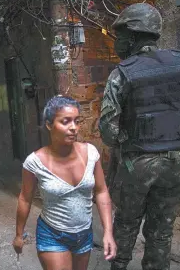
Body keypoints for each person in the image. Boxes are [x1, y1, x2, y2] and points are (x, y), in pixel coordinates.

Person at [98, 3, 180, 270]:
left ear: (133, 36)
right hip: (176, 164)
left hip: (137, 164)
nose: (118, 43)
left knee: (126, 223)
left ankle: (119, 266)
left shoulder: (121, 74)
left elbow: (108, 132)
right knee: (161, 231)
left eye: (121, 36)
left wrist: (128, 139)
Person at [13, 95, 117, 270]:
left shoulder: (91, 153)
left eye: (77, 121)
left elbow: (101, 191)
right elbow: (25, 198)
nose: (73, 128)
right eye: (66, 122)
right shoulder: (35, 162)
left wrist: (108, 231)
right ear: (49, 125)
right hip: (52, 234)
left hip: (84, 234)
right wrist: (18, 234)